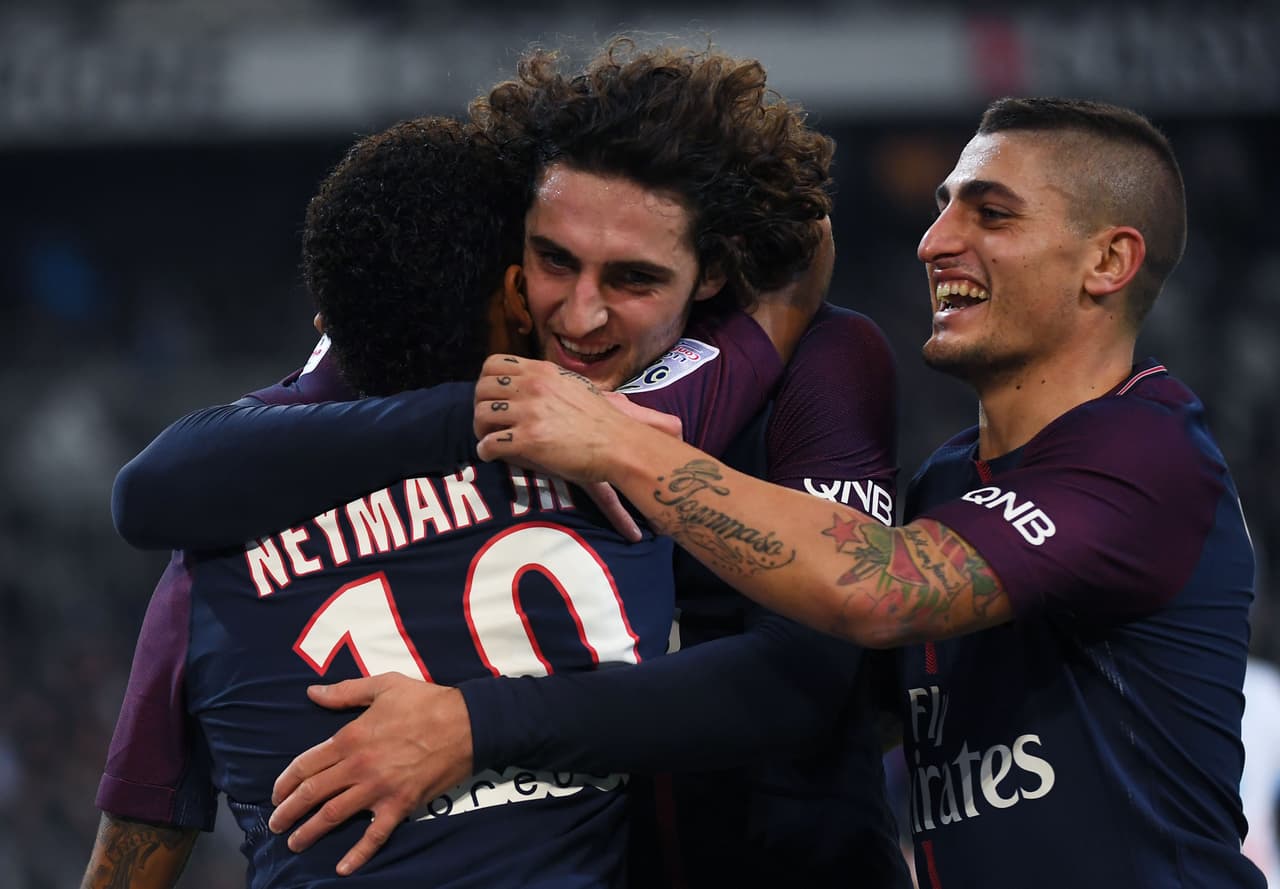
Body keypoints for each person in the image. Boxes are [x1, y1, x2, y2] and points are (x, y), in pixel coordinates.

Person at [105, 39, 910, 887]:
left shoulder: (823, 359)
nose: (580, 312)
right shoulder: (465, 359)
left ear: (712, 271)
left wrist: (473, 723)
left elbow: (801, 681)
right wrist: (475, 410)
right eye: (555, 259)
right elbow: (165, 489)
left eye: (633, 278)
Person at [473, 96, 1266, 887]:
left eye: (990, 214)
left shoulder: (1146, 449)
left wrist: (620, 444)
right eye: (942, 208)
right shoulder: (950, 483)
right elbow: (833, 696)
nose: (935, 242)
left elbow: (880, 588)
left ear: (1108, 262)